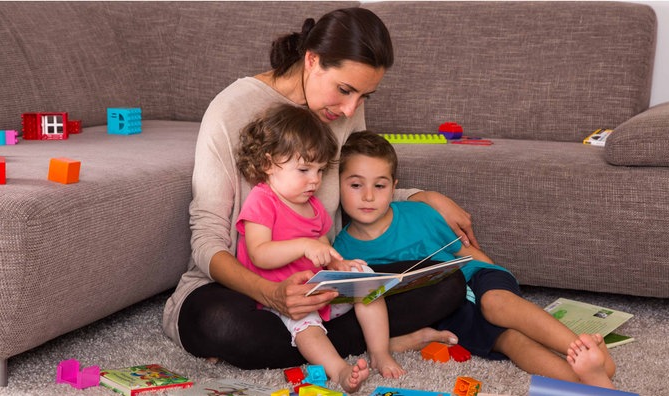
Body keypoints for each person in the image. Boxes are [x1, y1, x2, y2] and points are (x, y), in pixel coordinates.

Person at [162, 7, 475, 369]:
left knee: (446, 281)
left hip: (320, 282)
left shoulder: (342, 110)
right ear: (312, 60)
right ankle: (376, 340)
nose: (349, 109)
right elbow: (206, 240)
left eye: (363, 97)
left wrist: (425, 197)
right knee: (223, 324)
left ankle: (335, 341)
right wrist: (272, 295)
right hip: (244, 287)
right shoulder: (230, 110)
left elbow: (358, 184)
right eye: (344, 90)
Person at [333, 131, 616, 389]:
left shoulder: (418, 213)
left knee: (496, 305)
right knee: (510, 342)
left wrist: (494, 272)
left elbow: (464, 252)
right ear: (338, 185)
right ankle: (591, 382)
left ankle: (584, 351)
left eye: (379, 186)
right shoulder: (342, 249)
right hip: (449, 313)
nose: (368, 196)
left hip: (476, 277)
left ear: (393, 187)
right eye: (356, 184)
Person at [234, 104, 404, 391]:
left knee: (367, 279)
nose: (314, 180)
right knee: (306, 325)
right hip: (285, 298)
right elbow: (258, 254)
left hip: (318, 289)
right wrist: (302, 246)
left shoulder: (311, 205)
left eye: (320, 170)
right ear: (268, 164)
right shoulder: (262, 200)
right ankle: (338, 370)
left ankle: (379, 351)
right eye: (304, 169)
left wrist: (338, 266)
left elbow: (323, 245)